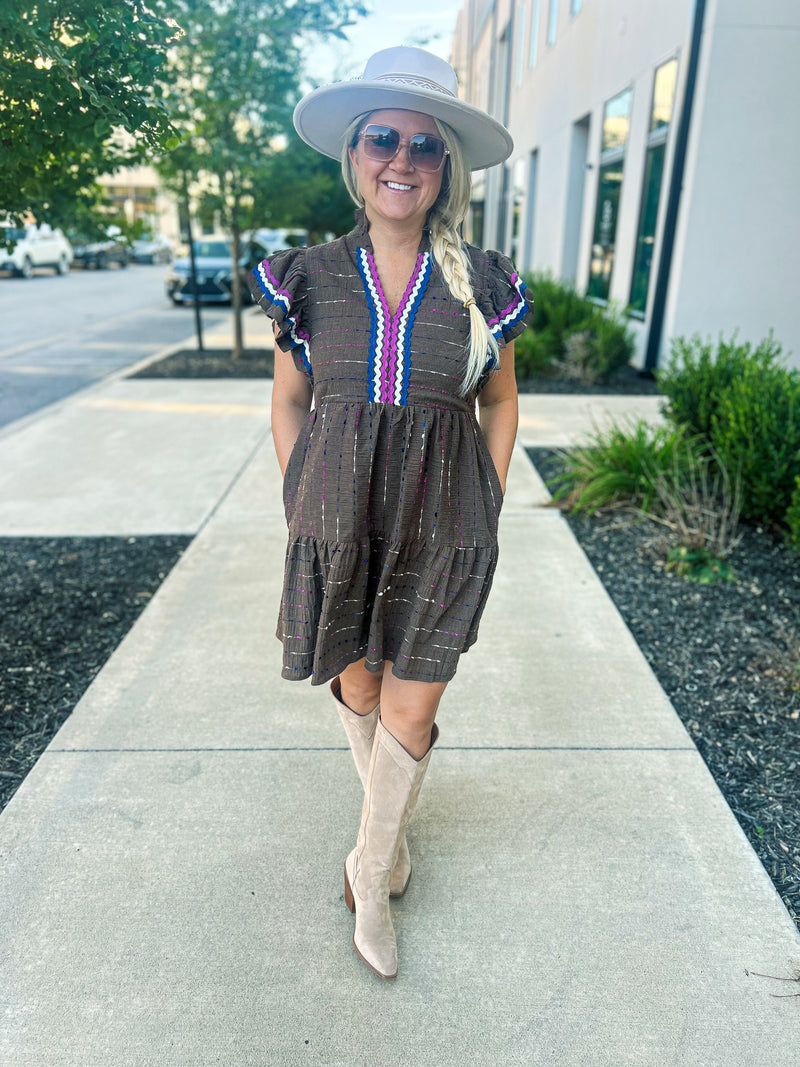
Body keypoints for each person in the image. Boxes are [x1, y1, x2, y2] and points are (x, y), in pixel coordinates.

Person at [249, 46, 533, 981]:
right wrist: (302, 496)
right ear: (356, 155)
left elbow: (499, 401)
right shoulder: (310, 277)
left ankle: (370, 876)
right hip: (338, 517)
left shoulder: (482, 282)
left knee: (413, 694)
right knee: (361, 686)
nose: (401, 158)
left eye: (423, 144)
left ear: (443, 164)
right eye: (384, 139)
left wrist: (485, 500)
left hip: (444, 520)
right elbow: (289, 400)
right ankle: (392, 841)